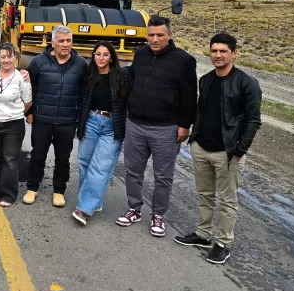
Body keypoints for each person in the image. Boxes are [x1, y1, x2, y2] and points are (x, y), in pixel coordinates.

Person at [175, 33, 262, 264]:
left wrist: (240, 150)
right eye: (214, 50)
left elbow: (253, 120)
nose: (218, 55)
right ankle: (203, 234)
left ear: (234, 53)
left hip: (228, 152)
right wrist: (194, 138)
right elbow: (200, 111)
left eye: (223, 51)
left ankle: (223, 243)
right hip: (202, 147)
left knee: (227, 200)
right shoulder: (205, 80)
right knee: (204, 194)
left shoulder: (247, 83)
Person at [116, 16, 197, 237]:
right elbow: (130, 77)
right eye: (151, 34)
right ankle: (134, 208)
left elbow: (190, 96)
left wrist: (184, 125)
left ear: (169, 35)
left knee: (163, 176)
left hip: (166, 128)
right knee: (133, 171)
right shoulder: (140, 54)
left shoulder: (184, 61)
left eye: (160, 35)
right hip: (136, 124)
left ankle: (158, 215)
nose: (155, 39)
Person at [23, 26, 87, 207]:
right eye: (61, 41)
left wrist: (80, 117)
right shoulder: (38, 62)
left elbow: (85, 92)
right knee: (37, 156)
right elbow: (29, 90)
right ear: (53, 42)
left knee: (63, 159)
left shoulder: (81, 64)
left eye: (68, 40)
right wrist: (29, 112)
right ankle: (32, 188)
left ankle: (59, 191)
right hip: (42, 120)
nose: (65, 44)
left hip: (67, 122)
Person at [72, 42, 131, 226]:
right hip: (91, 120)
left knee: (100, 167)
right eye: (98, 54)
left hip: (112, 125)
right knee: (84, 161)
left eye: (105, 54)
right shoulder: (89, 76)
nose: (101, 58)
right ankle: (92, 201)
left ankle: (84, 208)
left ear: (111, 57)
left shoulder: (122, 76)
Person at [0, 44, 32, 207]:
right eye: (3, 56)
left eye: (9, 56)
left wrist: (13, 113)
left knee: (10, 159)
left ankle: (8, 194)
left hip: (14, 124)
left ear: (15, 57)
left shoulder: (21, 77)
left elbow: (27, 102)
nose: (6, 60)